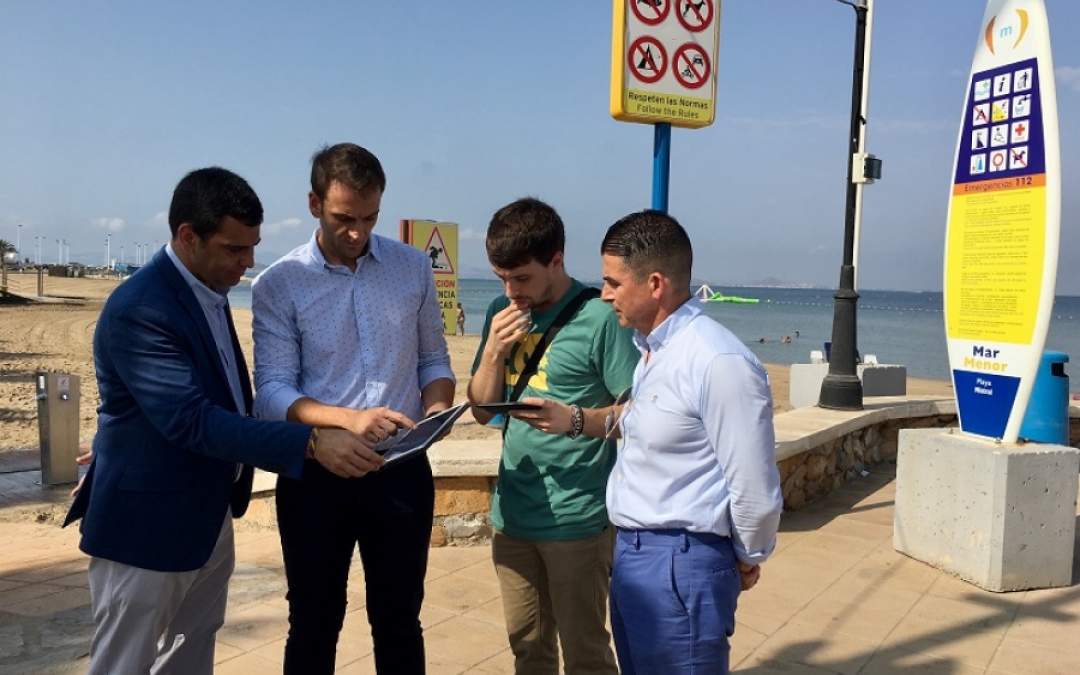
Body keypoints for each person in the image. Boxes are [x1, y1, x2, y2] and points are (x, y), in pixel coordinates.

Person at [63, 167, 382, 675]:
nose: (248, 262)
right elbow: (191, 420)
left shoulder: (207, 290)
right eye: (234, 249)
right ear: (188, 237)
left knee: (190, 658)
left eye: (253, 247)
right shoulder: (142, 307)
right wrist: (310, 442)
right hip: (146, 529)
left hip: (207, 517)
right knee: (125, 664)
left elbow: (216, 399)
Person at [252, 143, 455, 675]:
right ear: (314, 203)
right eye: (344, 218)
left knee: (400, 620)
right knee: (314, 622)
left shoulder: (413, 267)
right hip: (318, 473)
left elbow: (433, 359)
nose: (357, 233)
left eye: (369, 218)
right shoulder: (280, 282)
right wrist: (347, 420)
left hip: (401, 470)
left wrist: (437, 412)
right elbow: (270, 392)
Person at [599, 210, 784, 674]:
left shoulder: (717, 360)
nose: (604, 294)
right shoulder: (655, 352)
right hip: (635, 558)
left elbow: (754, 488)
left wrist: (747, 557)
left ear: (655, 284)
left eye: (614, 283)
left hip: (681, 564)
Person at [468, 197, 638, 675]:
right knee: (529, 651)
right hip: (513, 514)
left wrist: (576, 419)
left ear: (557, 260)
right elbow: (481, 410)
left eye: (521, 278)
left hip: (576, 519)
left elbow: (639, 414)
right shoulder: (502, 312)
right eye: (501, 278)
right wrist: (493, 352)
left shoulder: (600, 318)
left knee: (586, 655)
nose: (511, 290)